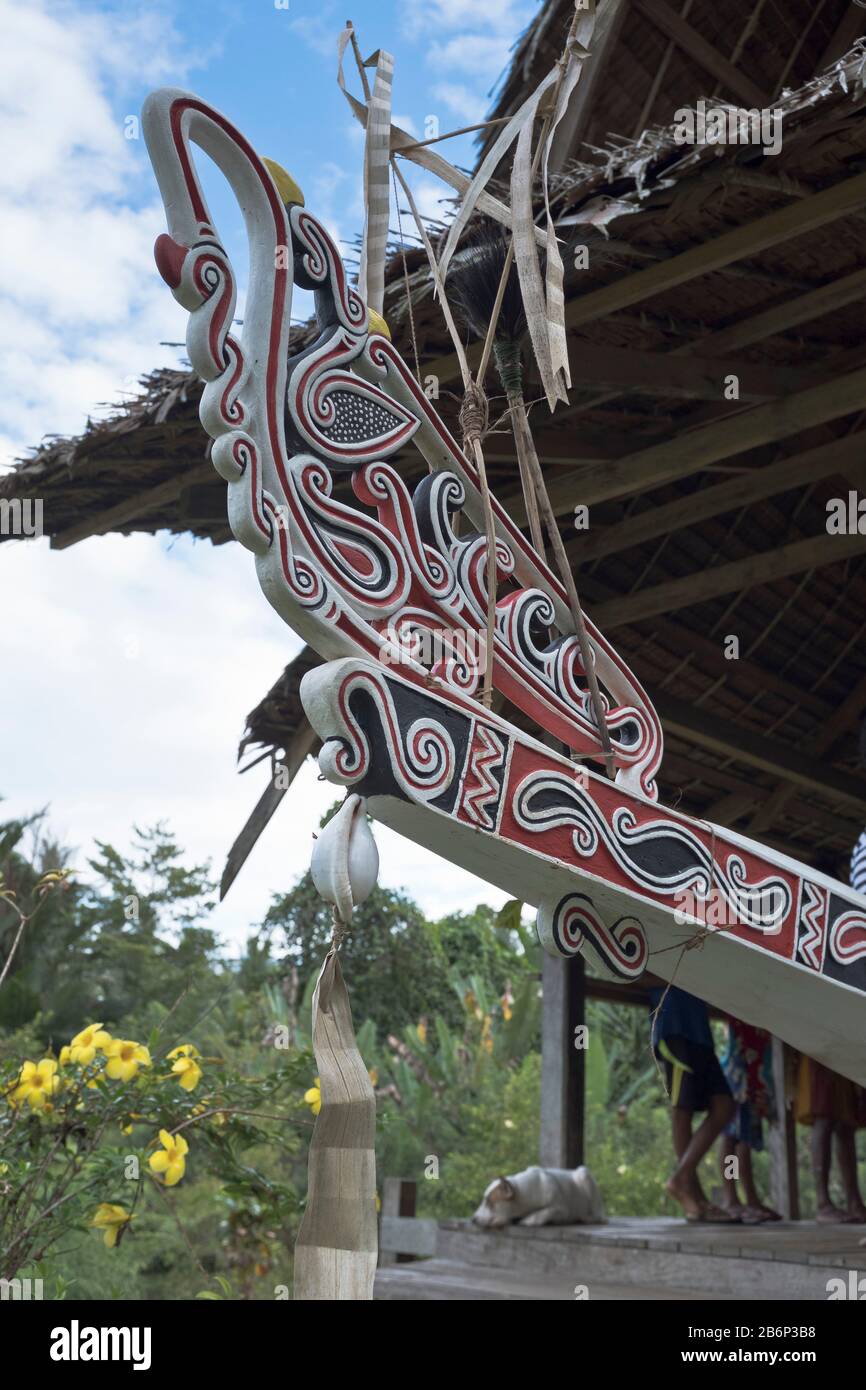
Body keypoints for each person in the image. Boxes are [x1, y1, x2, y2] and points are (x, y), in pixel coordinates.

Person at [649, 983, 735, 1222]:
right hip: (673, 1021)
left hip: (698, 1026)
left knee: (725, 1104)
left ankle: (682, 1179)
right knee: (682, 1109)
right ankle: (695, 1198)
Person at [717, 1019, 781, 1223]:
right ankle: (731, 1198)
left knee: (744, 1142)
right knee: (733, 1140)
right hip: (739, 1076)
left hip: (756, 1077)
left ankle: (749, 1199)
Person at [795, 1056, 866, 1223]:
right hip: (818, 1048)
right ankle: (823, 1202)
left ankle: (854, 1202)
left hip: (841, 1048)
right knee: (823, 1114)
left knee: (847, 1121)